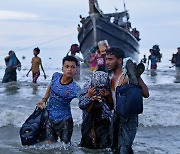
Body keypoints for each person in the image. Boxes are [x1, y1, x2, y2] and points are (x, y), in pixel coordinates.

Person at [106, 47, 149, 153]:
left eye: (110, 59)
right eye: (106, 59)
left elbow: (146, 93)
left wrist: (136, 76)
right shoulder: (109, 77)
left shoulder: (128, 76)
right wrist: (106, 96)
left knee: (124, 149)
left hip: (130, 118)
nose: (107, 62)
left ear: (120, 60)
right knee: (115, 148)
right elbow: (112, 104)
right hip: (116, 116)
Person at [37, 55, 81, 145]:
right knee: (49, 146)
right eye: (67, 66)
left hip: (65, 122)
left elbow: (84, 101)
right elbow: (50, 86)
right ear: (62, 68)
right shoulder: (56, 76)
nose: (69, 69)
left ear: (76, 70)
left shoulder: (76, 88)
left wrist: (92, 96)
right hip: (49, 118)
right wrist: (44, 100)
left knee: (65, 148)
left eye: (73, 67)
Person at [79, 71, 113, 149]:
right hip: (89, 121)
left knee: (105, 145)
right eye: (98, 87)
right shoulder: (87, 87)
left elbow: (112, 106)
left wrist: (107, 96)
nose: (100, 89)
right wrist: (89, 96)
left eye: (102, 87)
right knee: (88, 145)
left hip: (104, 121)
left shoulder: (108, 87)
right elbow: (81, 105)